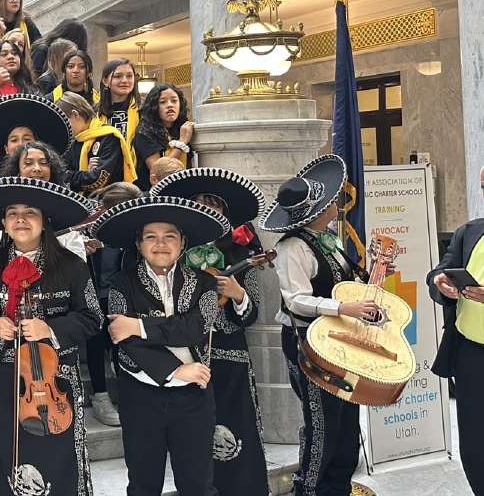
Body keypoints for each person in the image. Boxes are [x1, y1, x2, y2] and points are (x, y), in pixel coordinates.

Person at [0, 176, 102, 496]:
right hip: (7, 375)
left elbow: (92, 317)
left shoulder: (72, 266)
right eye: (13, 213)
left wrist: (50, 329)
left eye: (30, 212)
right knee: (7, 450)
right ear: (3, 222)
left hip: (57, 377)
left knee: (59, 450)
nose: (21, 220)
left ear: (44, 221)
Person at [92, 195, 232, 496]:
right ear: (139, 244)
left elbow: (195, 328)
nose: (160, 243)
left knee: (198, 484)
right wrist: (176, 370)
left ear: (183, 242)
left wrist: (139, 324)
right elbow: (124, 340)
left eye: (170, 236)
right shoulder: (120, 284)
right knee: (144, 483)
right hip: (140, 396)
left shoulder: (205, 283)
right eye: (151, 236)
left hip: (195, 397)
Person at [151, 168, 270, 495]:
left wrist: (236, 294)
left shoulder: (239, 254)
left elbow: (253, 312)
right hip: (185, 363)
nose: (208, 212)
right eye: (200, 205)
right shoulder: (170, 256)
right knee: (193, 447)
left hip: (229, 362)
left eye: (214, 206)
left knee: (237, 438)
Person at [263, 155, 376, 496]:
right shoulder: (292, 248)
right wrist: (345, 307)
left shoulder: (329, 239)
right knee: (322, 425)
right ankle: (309, 489)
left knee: (346, 421)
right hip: (308, 343)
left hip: (340, 341)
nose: (336, 203)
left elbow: (347, 280)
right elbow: (296, 300)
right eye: (331, 201)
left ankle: (337, 487)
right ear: (319, 210)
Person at [427, 163, 484, 495]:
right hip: (471, 354)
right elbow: (439, 272)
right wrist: (441, 283)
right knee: (475, 442)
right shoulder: (469, 232)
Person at [0, 94, 72, 179]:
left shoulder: (51, 178)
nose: (20, 144)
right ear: (6, 149)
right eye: (14, 140)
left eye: (27, 139)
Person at [57, 92, 132, 194]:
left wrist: (74, 176)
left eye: (64, 121)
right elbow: (60, 175)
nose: (62, 128)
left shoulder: (108, 136)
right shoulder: (73, 141)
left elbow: (97, 180)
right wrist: (84, 174)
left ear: (75, 114)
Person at [132, 84, 194, 192]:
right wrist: (182, 143)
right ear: (154, 106)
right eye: (163, 102)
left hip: (183, 188)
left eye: (174, 101)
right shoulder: (144, 132)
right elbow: (159, 171)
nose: (170, 105)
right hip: (154, 193)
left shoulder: (183, 128)